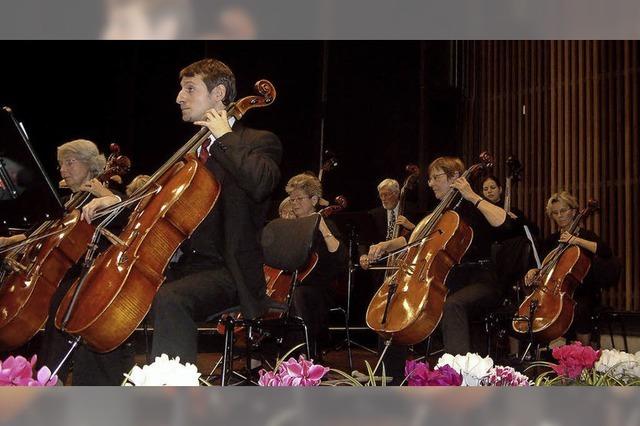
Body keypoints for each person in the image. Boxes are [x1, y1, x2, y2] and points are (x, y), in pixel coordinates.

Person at [149, 58, 282, 366]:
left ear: (219, 93)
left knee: (172, 298)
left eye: (189, 89)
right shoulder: (192, 154)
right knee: (107, 295)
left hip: (229, 271)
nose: (179, 97)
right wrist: (113, 199)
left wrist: (225, 136)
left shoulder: (257, 142)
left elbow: (262, 183)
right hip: (187, 266)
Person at [366, 156, 511, 381]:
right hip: (448, 279)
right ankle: (390, 376)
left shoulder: (473, 206)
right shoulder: (440, 212)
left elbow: (504, 222)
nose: (431, 183)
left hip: (480, 279)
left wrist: (471, 194)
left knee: (453, 304)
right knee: (396, 305)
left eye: (436, 178)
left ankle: (458, 377)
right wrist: (386, 245)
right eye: (430, 179)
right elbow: (416, 238)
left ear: (455, 178)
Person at [36, 138, 135, 385]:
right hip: (72, 273)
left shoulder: (108, 193)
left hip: (99, 275)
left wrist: (106, 195)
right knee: (59, 294)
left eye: (70, 163)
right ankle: (48, 377)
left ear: (91, 165)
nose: (63, 170)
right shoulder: (71, 201)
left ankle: (50, 378)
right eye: (60, 165)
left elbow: (127, 215)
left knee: (62, 297)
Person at [523, 191, 616, 347]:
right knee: (537, 308)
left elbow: (605, 251)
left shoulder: (586, 236)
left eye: (563, 210)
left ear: (573, 211)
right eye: (555, 213)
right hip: (557, 291)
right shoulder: (552, 240)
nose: (560, 215)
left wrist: (576, 240)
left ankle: (583, 354)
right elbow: (543, 265)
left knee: (580, 309)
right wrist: (534, 271)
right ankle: (548, 354)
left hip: (583, 290)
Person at [284, 173, 347, 358]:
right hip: (291, 285)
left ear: (314, 200)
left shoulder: (326, 224)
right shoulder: (290, 226)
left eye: (299, 199)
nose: (294, 203)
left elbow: (341, 257)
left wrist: (322, 227)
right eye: (292, 199)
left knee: (298, 296)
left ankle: (305, 357)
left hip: (318, 290)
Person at [358, 178, 418, 270]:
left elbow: (422, 235)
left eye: (386, 195)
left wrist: (411, 226)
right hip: (380, 263)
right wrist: (363, 255)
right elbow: (363, 239)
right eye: (381, 195)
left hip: (404, 262)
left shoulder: (412, 209)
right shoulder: (374, 214)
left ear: (397, 193)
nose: (383, 199)